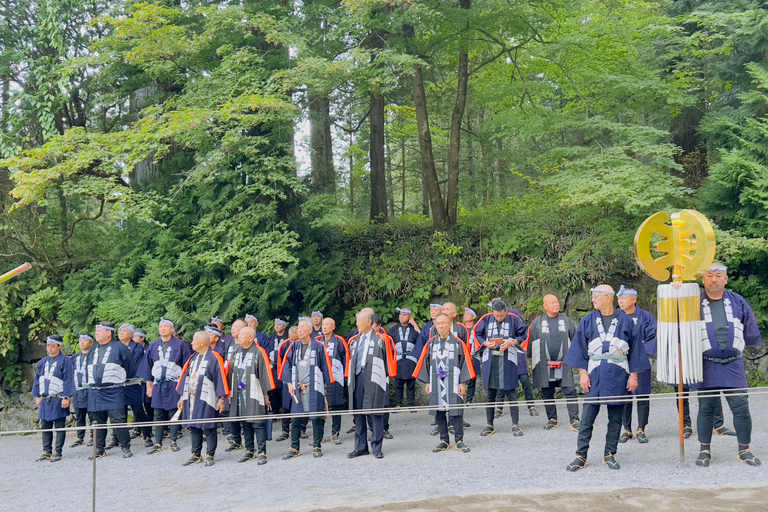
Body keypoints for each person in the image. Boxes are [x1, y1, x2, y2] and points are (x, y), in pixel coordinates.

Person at [563, 285, 650, 471]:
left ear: (608, 298)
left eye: (596, 297)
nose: (593, 299)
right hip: (594, 372)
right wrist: (582, 373)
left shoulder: (626, 321)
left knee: (616, 418)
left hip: (619, 372)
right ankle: (581, 455)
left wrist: (633, 376)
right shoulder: (587, 320)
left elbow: (635, 349)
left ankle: (609, 453)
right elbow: (579, 347)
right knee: (587, 418)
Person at [694, 263, 762, 467]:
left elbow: (749, 324)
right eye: (709, 276)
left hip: (733, 363)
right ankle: (704, 450)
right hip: (705, 363)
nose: (713, 279)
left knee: (741, 407)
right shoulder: (692, 300)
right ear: (703, 279)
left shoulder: (737, 300)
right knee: (706, 408)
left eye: (718, 275)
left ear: (726, 279)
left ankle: (744, 450)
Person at [414, 314, 474, 453]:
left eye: (443, 323)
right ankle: (444, 440)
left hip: (454, 379)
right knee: (439, 411)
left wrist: (462, 382)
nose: (441, 326)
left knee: (456, 411)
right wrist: (428, 382)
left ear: (449, 324)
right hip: (436, 380)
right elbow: (425, 362)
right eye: (438, 323)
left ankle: (459, 440)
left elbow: (465, 362)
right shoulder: (430, 343)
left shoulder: (458, 343)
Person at [473, 300, 528, 437]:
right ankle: (489, 424)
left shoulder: (514, 319)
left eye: (502, 316)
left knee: (511, 393)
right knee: (491, 395)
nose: (499, 318)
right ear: (492, 312)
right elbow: (476, 335)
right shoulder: (485, 319)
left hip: (508, 359)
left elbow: (525, 334)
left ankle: (515, 424)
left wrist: (512, 341)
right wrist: (485, 343)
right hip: (491, 360)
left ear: (506, 311)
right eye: (496, 316)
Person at [524, 294, 579, 431]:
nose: (556, 304)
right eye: (552, 302)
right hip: (545, 365)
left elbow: (576, 339)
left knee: (570, 390)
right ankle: (552, 419)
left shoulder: (566, 321)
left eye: (557, 301)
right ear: (545, 306)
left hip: (564, 363)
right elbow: (529, 342)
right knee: (547, 392)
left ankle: (575, 419)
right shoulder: (537, 322)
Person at [347, 309, 396, 459]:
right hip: (357, 377)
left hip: (374, 378)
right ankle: (360, 446)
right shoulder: (354, 340)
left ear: (369, 322)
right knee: (359, 414)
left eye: (359, 321)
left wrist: (387, 377)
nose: (357, 324)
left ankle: (376, 446)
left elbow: (390, 358)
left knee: (376, 412)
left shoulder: (381, 339)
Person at [281, 320, 334, 459]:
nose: (300, 331)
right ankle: (294, 447)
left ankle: (317, 446)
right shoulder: (294, 346)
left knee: (316, 418)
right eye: (298, 328)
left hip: (314, 387)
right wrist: (289, 383)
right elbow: (286, 365)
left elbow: (325, 366)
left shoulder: (318, 346)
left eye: (303, 328)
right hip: (298, 387)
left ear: (310, 330)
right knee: (296, 419)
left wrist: (326, 387)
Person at [86, 321, 138, 460]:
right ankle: (99, 449)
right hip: (95, 391)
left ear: (109, 333)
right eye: (96, 331)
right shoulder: (93, 349)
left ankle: (125, 447)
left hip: (114, 391)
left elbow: (131, 368)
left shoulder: (120, 347)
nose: (96, 333)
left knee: (118, 420)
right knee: (97, 421)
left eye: (99, 331)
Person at [140, 317, 192, 454]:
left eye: (165, 326)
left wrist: (184, 387)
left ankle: (173, 441)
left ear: (172, 329)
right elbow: (147, 367)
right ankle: (158, 442)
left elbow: (187, 366)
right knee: (158, 413)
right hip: (158, 384)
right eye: (161, 326)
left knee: (173, 412)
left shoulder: (180, 344)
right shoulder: (153, 345)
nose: (162, 329)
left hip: (174, 382)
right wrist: (148, 386)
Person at [177, 331, 229, 467]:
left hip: (207, 396)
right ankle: (196, 454)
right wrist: (183, 396)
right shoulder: (193, 358)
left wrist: (221, 399)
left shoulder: (214, 357)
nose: (192, 343)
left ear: (202, 343)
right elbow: (186, 377)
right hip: (192, 397)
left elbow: (220, 378)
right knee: (194, 426)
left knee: (209, 426)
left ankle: (210, 455)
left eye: (194, 341)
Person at [616, 286, 657, 443]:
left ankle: (641, 428)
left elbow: (652, 337)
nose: (621, 302)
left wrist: (638, 355)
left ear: (634, 300)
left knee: (642, 395)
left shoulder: (646, 317)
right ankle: (626, 429)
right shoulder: (616, 317)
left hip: (641, 362)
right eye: (619, 299)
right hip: (621, 361)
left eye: (624, 299)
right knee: (624, 396)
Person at [230, 326, 275, 464]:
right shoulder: (236, 352)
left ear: (251, 338)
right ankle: (249, 450)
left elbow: (264, 373)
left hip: (255, 391)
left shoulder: (259, 352)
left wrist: (266, 394)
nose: (239, 335)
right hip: (239, 392)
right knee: (245, 422)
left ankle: (262, 452)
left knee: (257, 422)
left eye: (243, 334)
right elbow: (230, 372)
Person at [32, 334, 76, 462]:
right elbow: (37, 380)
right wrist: (37, 396)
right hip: (45, 398)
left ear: (59, 346)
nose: (49, 348)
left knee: (59, 426)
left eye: (52, 345)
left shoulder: (65, 361)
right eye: (48, 345)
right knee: (45, 425)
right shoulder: (43, 362)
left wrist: (66, 397)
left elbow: (68, 379)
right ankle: (46, 451)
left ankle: (58, 451)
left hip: (58, 398)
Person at [108, 323, 151, 449]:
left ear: (131, 335)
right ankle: (117, 438)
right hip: (117, 384)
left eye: (124, 331)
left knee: (138, 410)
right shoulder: (114, 347)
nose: (121, 333)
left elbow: (133, 364)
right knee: (118, 412)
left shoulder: (137, 347)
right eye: (120, 331)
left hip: (132, 383)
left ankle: (147, 435)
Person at [317, 317, 348, 444]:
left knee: (336, 406)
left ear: (333, 327)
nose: (324, 327)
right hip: (321, 378)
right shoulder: (317, 341)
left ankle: (335, 434)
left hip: (336, 378)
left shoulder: (340, 341)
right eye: (323, 325)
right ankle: (320, 435)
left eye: (327, 325)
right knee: (320, 407)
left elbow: (346, 359)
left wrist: (346, 377)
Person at [388, 307, 420, 410]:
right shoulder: (393, 329)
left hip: (411, 359)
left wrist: (415, 325)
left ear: (410, 317)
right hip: (398, 359)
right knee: (398, 383)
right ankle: (398, 404)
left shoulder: (413, 329)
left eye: (405, 315)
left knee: (411, 383)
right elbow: (388, 342)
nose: (402, 317)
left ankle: (411, 405)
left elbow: (421, 339)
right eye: (401, 314)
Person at [276, 326, 301, 442]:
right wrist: (284, 378)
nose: (293, 342)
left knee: (300, 403)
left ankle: (301, 429)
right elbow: (280, 363)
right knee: (286, 404)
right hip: (288, 377)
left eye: (296, 339)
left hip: (301, 377)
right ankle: (285, 430)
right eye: (291, 339)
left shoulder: (304, 344)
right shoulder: (284, 345)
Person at [130, 328, 154, 447]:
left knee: (147, 405)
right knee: (137, 405)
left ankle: (148, 429)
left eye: (136, 337)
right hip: (136, 379)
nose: (134, 339)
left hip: (147, 379)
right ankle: (138, 427)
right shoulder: (132, 349)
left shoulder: (149, 348)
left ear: (143, 338)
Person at [70, 333, 93, 448]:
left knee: (93, 414)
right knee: (79, 415)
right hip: (78, 390)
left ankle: (94, 436)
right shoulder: (75, 357)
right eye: (80, 340)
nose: (82, 342)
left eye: (85, 340)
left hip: (90, 390)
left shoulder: (94, 355)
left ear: (91, 343)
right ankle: (80, 437)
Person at [463, 308, 482, 405]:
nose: (464, 315)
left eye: (467, 314)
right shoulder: (461, 328)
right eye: (464, 314)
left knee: (472, 379)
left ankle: (469, 400)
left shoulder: (477, 328)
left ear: (473, 317)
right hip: (462, 356)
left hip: (474, 355)